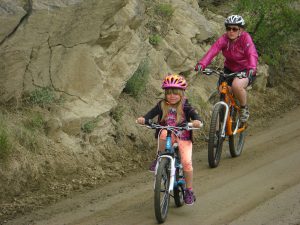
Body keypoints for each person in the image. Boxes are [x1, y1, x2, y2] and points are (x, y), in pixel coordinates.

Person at [136, 74, 203, 205]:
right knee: (163, 131)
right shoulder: (161, 105)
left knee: (186, 162)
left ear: (182, 94)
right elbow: (150, 114)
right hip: (168, 136)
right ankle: (160, 157)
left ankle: (189, 190)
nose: (172, 96)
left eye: (175, 93)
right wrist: (144, 119)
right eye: (169, 93)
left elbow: (195, 115)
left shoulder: (185, 105)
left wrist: (196, 121)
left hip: (183, 136)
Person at [195, 15, 258, 122]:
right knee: (222, 89)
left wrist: (252, 67)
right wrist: (202, 64)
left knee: (236, 85)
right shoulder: (224, 39)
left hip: (245, 69)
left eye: (234, 29)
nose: (231, 31)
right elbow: (213, 51)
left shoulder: (245, 38)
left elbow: (252, 53)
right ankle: (225, 116)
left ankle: (243, 108)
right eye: (228, 28)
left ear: (241, 30)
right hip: (229, 68)